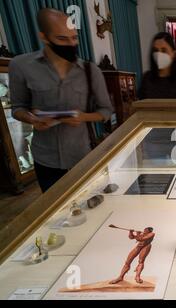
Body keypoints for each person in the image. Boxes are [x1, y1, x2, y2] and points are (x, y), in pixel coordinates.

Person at [9, 8, 113, 193]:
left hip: (83, 155)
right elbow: (17, 108)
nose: (71, 44)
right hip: (45, 158)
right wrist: (32, 119)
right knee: (57, 215)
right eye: (62, 39)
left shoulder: (90, 71)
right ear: (44, 37)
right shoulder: (20, 66)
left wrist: (82, 117)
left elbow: (106, 111)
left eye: (74, 38)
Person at [138, 32, 176, 160]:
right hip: (153, 140)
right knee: (157, 175)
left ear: (174, 53)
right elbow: (139, 110)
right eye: (156, 50)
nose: (159, 54)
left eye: (164, 50)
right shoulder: (147, 78)